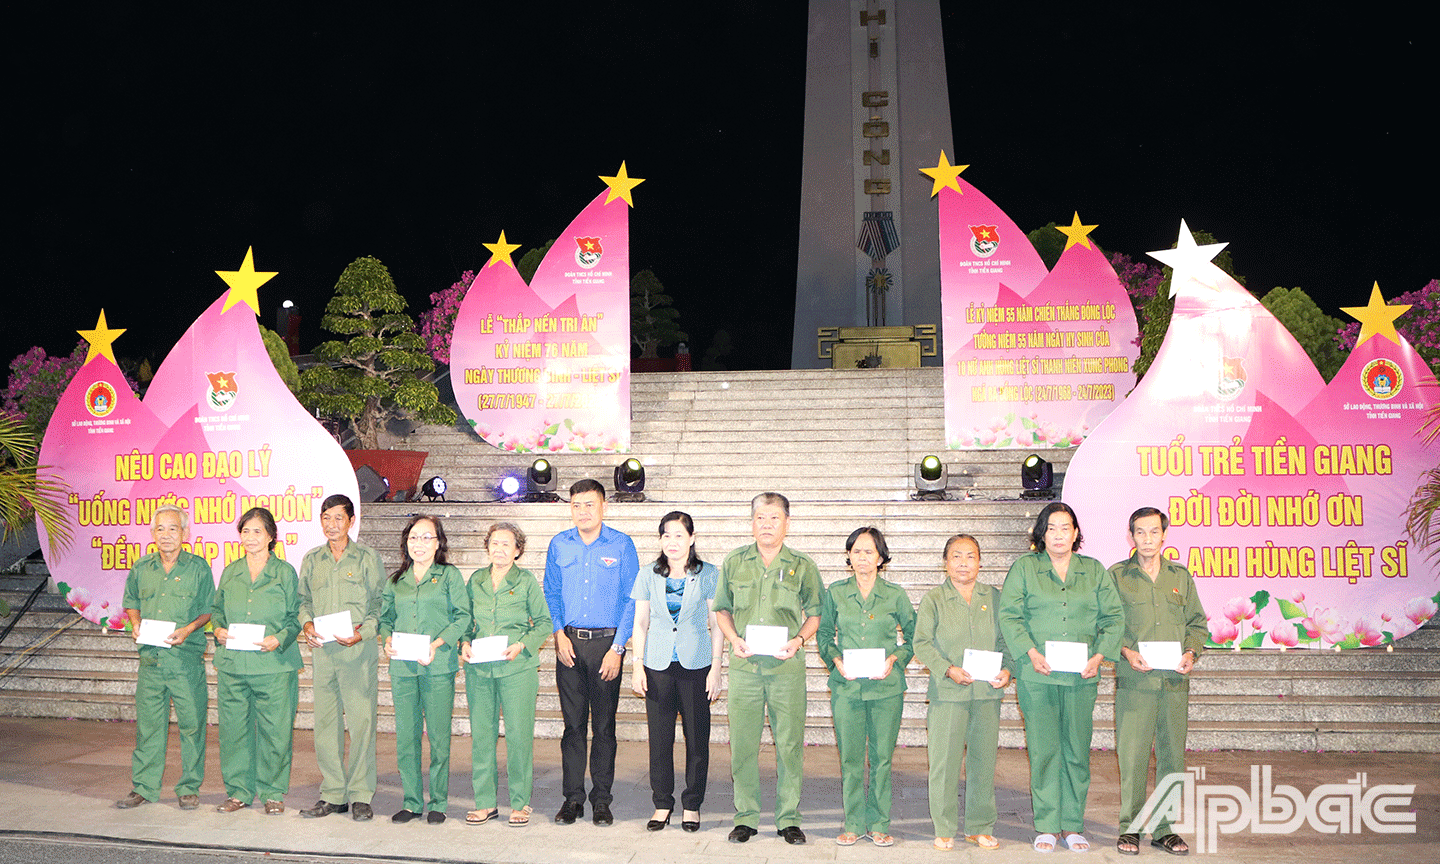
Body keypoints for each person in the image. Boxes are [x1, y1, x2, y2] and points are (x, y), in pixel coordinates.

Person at [999, 501, 1123, 853]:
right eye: (1051, 527)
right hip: (1037, 676)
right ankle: (1047, 825)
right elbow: (1009, 616)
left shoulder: (1094, 570)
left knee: (1076, 751)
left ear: (1076, 533)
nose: (1058, 534)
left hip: (1081, 677)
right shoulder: (1025, 568)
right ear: (1041, 533)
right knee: (1044, 750)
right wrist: (1031, 653)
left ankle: (1072, 825)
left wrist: (1099, 656)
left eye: (1065, 527)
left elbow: (1113, 618)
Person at [713, 492, 823, 845]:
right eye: (761, 517)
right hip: (746, 668)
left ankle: (788, 817)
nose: (767, 524)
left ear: (787, 523)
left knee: (789, 744)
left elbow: (816, 613)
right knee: (743, 744)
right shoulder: (735, 562)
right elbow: (722, 609)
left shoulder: (802, 565)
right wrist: (733, 638)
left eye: (774, 518)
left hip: (785, 669)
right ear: (752, 523)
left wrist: (799, 641)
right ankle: (745, 816)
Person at [1110, 508, 1207, 856]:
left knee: (1171, 757)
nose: (1147, 539)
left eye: (1154, 532)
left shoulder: (1180, 576)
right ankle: (1130, 828)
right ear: (1131, 536)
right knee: (1133, 756)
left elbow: (1197, 624)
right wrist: (1125, 651)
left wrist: (1191, 654)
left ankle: (1165, 828)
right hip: (1136, 683)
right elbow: (1107, 624)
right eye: (1140, 532)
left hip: (1174, 685)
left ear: (1164, 535)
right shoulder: (1118, 576)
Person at [542, 479, 639, 827]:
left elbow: (632, 598)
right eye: (576, 505)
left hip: (606, 646)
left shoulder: (622, 545)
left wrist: (618, 647)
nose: (583, 512)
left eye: (589, 505)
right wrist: (557, 633)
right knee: (572, 726)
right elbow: (551, 591)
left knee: (604, 726)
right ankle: (573, 799)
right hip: (568, 644)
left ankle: (601, 799)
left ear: (603, 507)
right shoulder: (559, 544)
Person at [913, 534, 1013, 851]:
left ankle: (979, 826)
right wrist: (947, 668)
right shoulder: (934, 600)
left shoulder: (995, 598)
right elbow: (921, 644)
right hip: (948, 693)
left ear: (980, 562)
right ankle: (944, 827)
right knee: (944, 763)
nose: (963, 563)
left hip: (986, 694)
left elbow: (1006, 643)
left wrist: (1007, 671)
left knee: (983, 762)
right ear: (945, 562)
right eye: (956, 556)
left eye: (970, 556)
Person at [816, 526, 915, 847]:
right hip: (847, 688)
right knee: (851, 758)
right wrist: (835, 661)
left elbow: (915, 636)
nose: (862, 558)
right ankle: (853, 822)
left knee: (883, 758)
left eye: (869, 551)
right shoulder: (835, 592)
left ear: (881, 557)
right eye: (856, 551)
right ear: (848, 555)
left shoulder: (895, 594)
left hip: (886, 689)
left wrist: (895, 659)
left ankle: (880, 822)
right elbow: (823, 633)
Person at [114, 504, 214, 811]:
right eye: (160, 529)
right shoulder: (142, 567)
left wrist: (187, 629)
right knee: (148, 726)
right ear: (152, 533)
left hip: (185, 660)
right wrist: (134, 624)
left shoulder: (198, 568)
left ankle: (188, 786)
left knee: (193, 724)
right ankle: (144, 786)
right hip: (152, 661)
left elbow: (209, 609)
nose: (166, 535)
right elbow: (131, 601)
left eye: (173, 529)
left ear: (185, 533)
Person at [630, 511, 722, 833]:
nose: (672, 542)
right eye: (666, 535)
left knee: (697, 739)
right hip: (657, 666)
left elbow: (716, 624)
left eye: (679, 535)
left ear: (692, 538)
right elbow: (640, 623)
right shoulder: (647, 574)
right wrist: (636, 665)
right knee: (660, 739)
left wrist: (716, 668)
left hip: (696, 665)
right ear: (660, 540)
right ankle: (662, 803)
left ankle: (692, 804)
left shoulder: (709, 573)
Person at [298, 494, 385, 821]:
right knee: (325, 725)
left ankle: (361, 793)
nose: (331, 524)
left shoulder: (366, 558)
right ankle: (333, 793)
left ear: (351, 521)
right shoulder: (312, 559)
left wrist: (362, 633)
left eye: (338, 518)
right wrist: (306, 624)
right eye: (326, 517)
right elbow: (302, 601)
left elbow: (379, 606)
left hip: (357, 652)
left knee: (362, 724)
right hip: (324, 655)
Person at [379, 514, 471, 825]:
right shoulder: (396, 581)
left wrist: (437, 644)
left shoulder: (449, 577)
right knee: (406, 737)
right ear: (406, 543)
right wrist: (386, 639)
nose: (419, 543)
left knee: (439, 737)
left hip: (437, 666)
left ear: (438, 543)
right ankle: (412, 800)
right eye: (414, 537)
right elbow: (385, 619)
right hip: (403, 667)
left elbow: (463, 617)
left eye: (426, 537)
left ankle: (439, 802)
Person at [211, 507, 302, 815]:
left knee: (275, 731)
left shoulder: (285, 573)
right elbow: (217, 610)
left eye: (257, 532)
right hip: (234, 665)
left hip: (274, 665)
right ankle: (238, 792)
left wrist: (280, 637)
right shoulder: (231, 571)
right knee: (234, 731)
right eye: (245, 531)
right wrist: (219, 629)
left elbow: (295, 617)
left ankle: (273, 792)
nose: (250, 538)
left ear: (271, 537)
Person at [460, 522, 551, 827]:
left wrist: (522, 645)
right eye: (494, 543)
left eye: (506, 544)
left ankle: (520, 802)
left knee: (518, 736)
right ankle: (485, 803)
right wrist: (463, 643)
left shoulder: (525, 581)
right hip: (480, 671)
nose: (499, 549)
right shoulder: (475, 580)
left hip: (517, 669)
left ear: (518, 550)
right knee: (482, 737)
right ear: (487, 547)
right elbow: (465, 621)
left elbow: (543, 623)